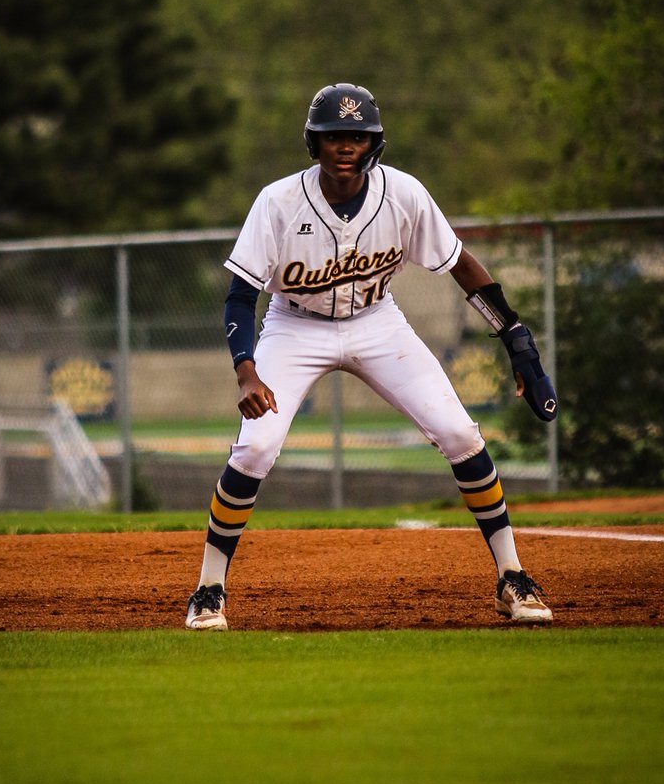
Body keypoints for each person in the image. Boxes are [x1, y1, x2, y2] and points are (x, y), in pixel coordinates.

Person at [185, 83, 558, 631]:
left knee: (459, 434)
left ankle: (512, 578)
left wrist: (516, 339)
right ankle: (208, 590)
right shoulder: (278, 202)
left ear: (373, 144)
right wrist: (246, 370)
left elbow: (461, 265)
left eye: (356, 137)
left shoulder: (403, 194)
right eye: (334, 135)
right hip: (295, 326)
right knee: (256, 446)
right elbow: (242, 293)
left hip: (377, 320)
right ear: (314, 143)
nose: (344, 146)